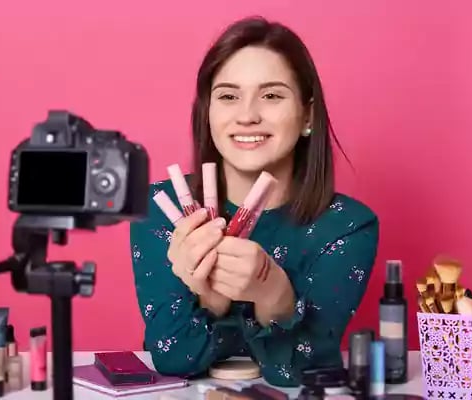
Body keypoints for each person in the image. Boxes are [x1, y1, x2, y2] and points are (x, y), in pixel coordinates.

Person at [129, 16, 379, 387]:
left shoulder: (347, 226)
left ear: (308, 115)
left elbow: (296, 374)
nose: (247, 116)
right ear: (207, 112)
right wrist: (210, 298)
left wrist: (272, 295)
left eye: (272, 95)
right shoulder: (161, 208)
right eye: (228, 96)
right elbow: (172, 359)